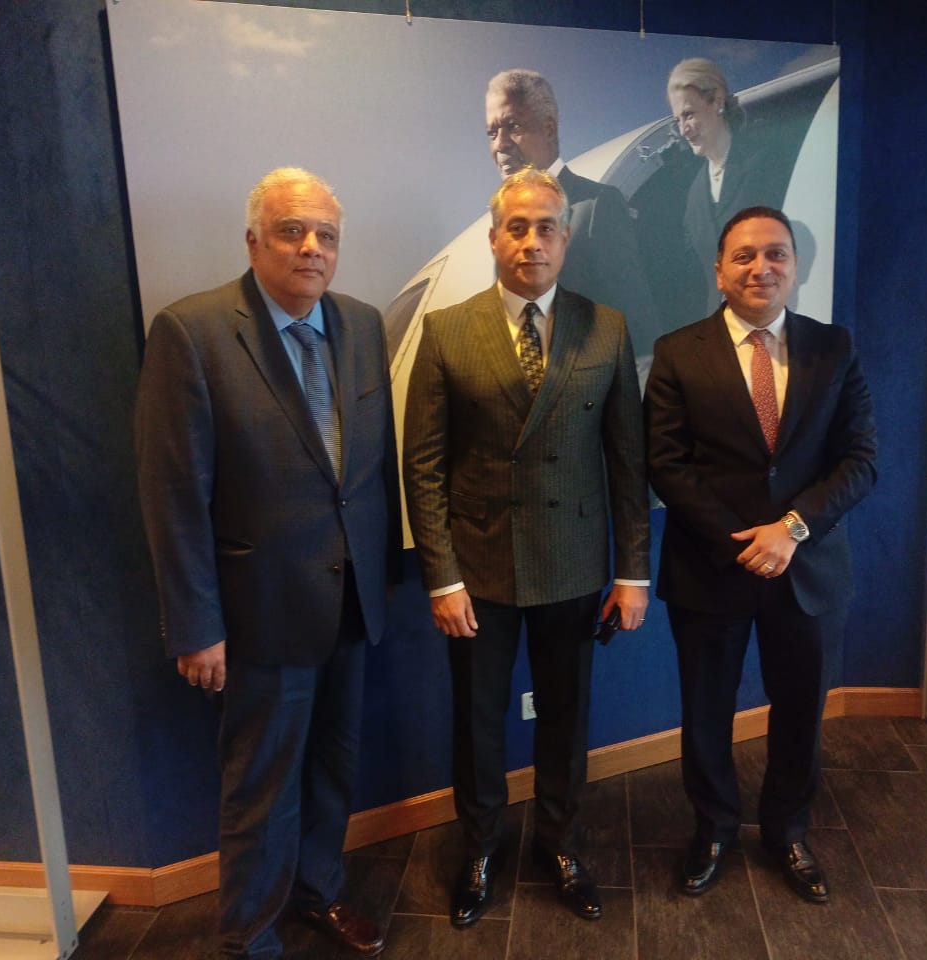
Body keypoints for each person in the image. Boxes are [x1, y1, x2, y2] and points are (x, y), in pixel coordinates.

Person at [135, 168, 401, 959]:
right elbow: (173, 492)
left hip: (350, 603)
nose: (312, 247)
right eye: (292, 231)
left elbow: (371, 470)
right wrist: (194, 625)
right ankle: (247, 937)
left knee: (334, 767)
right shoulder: (192, 332)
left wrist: (385, 579)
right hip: (256, 614)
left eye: (326, 235)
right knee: (260, 787)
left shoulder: (362, 324)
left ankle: (319, 891)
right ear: (254, 241)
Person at [402, 167, 650, 927]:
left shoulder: (606, 327)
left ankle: (561, 843)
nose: (532, 241)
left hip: (573, 564)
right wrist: (441, 579)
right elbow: (423, 465)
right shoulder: (447, 330)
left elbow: (628, 463)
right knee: (478, 721)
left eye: (546, 227)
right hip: (478, 573)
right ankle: (479, 848)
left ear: (566, 240)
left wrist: (633, 572)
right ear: (493, 238)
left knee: (567, 718)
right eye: (517, 227)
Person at [645, 207, 876, 905]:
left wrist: (792, 529)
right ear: (719, 271)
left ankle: (788, 831)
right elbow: (666, 463)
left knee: (801, 712)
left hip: (809, 569)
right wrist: (744, 542)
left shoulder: (833, 347)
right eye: (743, 256)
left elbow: (860, 460)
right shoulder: (678, 351)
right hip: (711, 567)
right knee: (706, 713)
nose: (761, 268)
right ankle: (713, 830)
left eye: (776, 254)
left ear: (794, 267)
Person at [484, 68, 662, 365]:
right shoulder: (502, 222)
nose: (500, 144)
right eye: (492, 133)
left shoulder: (597, 206)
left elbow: (638, 333)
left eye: (513, 126)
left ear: (549, 129)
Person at [664, 58, 791, 314]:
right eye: (677, 120)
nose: (684, 130)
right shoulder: (695, 193)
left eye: (689, 115)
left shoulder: (766, 164)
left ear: (717, 102)